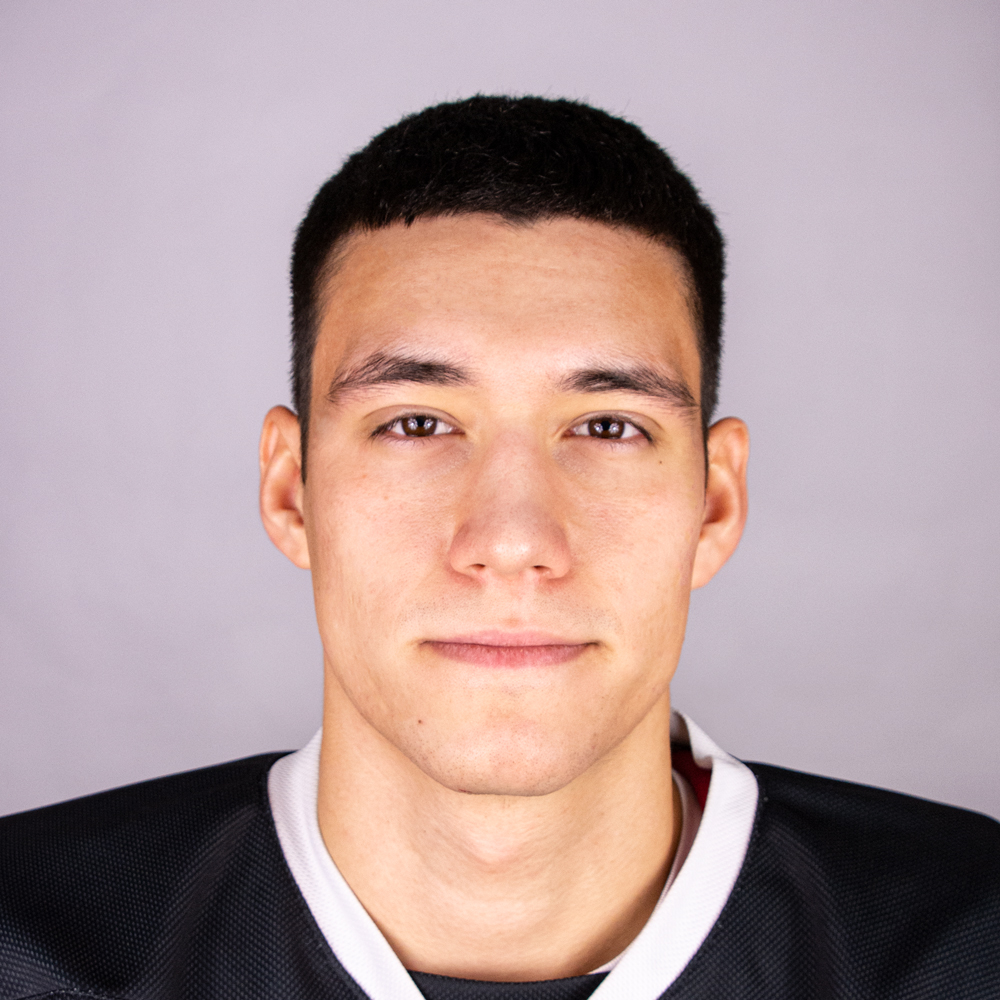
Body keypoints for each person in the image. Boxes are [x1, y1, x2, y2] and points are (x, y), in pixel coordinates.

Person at [0, 95, 997, 1000]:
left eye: (607, 426)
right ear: (291, 488)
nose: (513, 542)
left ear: (715, 502)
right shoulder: (28, 945)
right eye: (416, 423)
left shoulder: (967, 943)